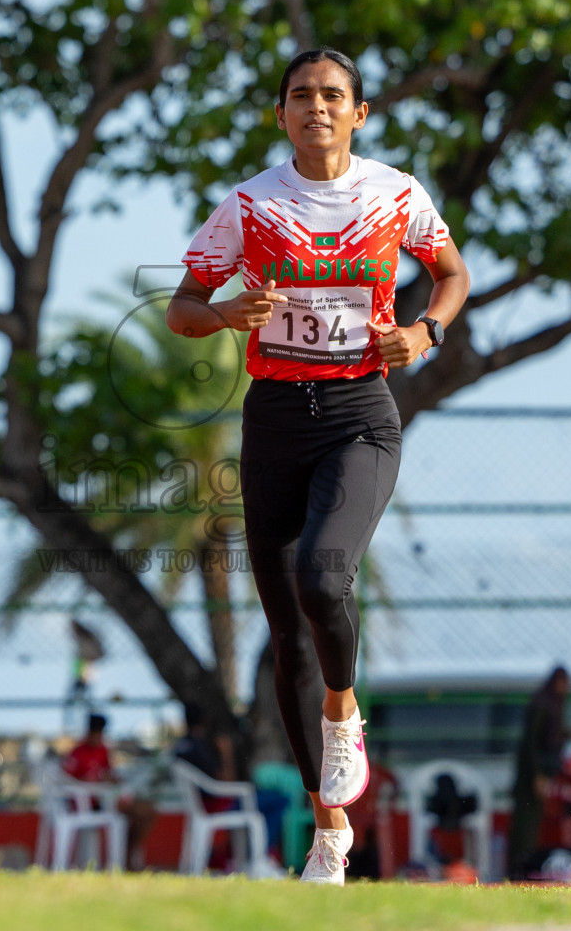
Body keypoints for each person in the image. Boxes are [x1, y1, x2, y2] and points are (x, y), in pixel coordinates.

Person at [166, 46, 470, 884]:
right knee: (286, 640)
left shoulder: (396, 194)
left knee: (323, 574)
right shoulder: (250, 206)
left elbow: (451, 273)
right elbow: (182, 310)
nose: (318, 108)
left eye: (334, 95)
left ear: (359, 113)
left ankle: (346, 714)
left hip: (358, 417)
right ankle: (328, 829)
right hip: (273, 423)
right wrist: (226, 312)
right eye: (301, 95)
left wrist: (424, 331)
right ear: (281, 114)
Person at [62, 713, 158, 871]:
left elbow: (110, 775)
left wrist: (111, 780)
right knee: (140, 812)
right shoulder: (78, 752)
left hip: (108, 800)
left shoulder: (103, 750)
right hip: (87, 805)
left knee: (146, 812)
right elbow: (66, 781)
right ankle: (126, 859)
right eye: (95, 733)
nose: (98, 737)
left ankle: (126, 855)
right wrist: (89, 781)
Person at [509, 666, 569, 879]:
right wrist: (537, 775)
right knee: (526, 823)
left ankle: (525, 868)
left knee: (532, 822)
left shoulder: (551, 703)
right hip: (531, 775)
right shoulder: (542, 704)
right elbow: (532, 743)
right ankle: (519, 871)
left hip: (539, 772)